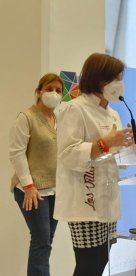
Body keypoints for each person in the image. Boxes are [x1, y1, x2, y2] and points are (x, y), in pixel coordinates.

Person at [54, 53, 134, 276]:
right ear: (100, 80)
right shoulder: (75, 109)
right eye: (116, 78)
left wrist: (130, 145)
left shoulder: (113, 113)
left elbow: (115, 153)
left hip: (107, 198)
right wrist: (103, 144)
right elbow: (68, 154)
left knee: (102, 258)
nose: (120, 83)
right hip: (85, 199)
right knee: (89, 264)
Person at [9, 73, 64, 276]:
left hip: (54, 190)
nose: (54, 93)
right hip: (32, 190)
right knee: (41, 241)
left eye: (58, 91)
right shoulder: (26, 118)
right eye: (49, 89)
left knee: (46, 242)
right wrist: (29, 186)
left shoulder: (58, 120)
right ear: (39, 92)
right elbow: (16, 153)